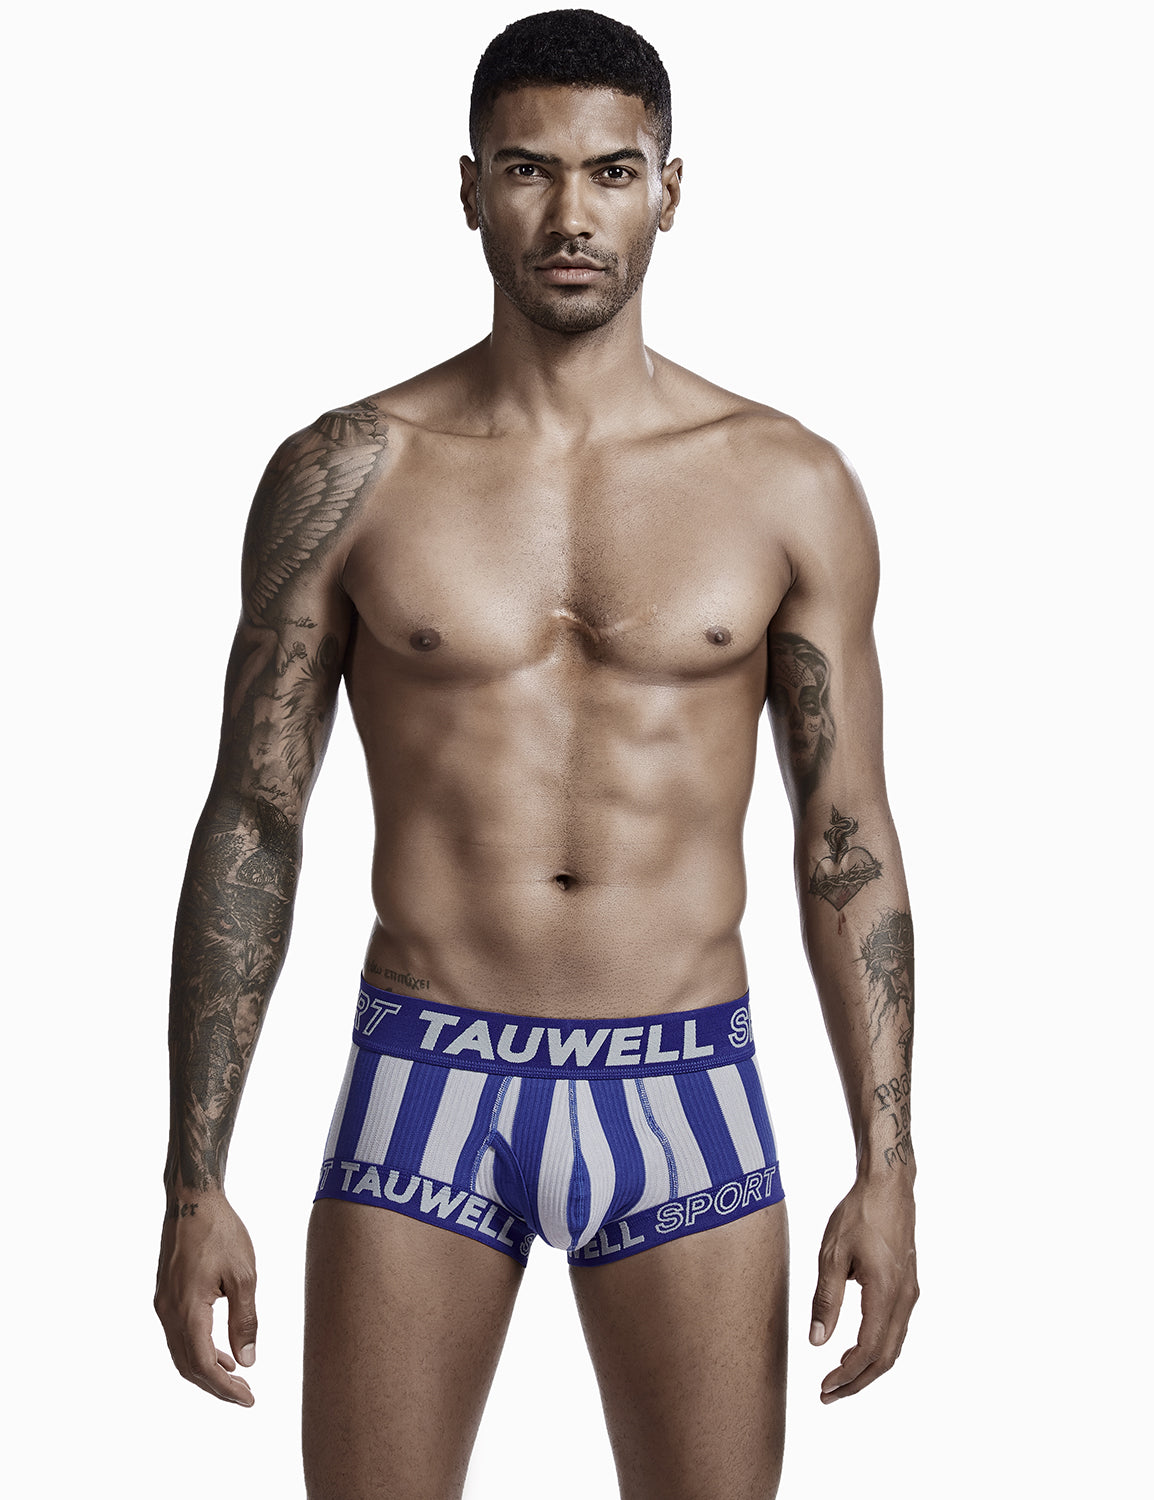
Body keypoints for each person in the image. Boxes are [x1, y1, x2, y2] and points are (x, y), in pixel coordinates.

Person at [154, 10, 918, 1497]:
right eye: (528, 170)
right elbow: (253, 819)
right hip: (425, 1073)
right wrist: (194, 1179)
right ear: (469, 189)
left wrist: (888, 1170)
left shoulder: (785, 482)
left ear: (669, 191)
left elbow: (848, 833)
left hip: (683, 1083)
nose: (571, 215)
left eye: (611, 172)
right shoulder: (351, 471)